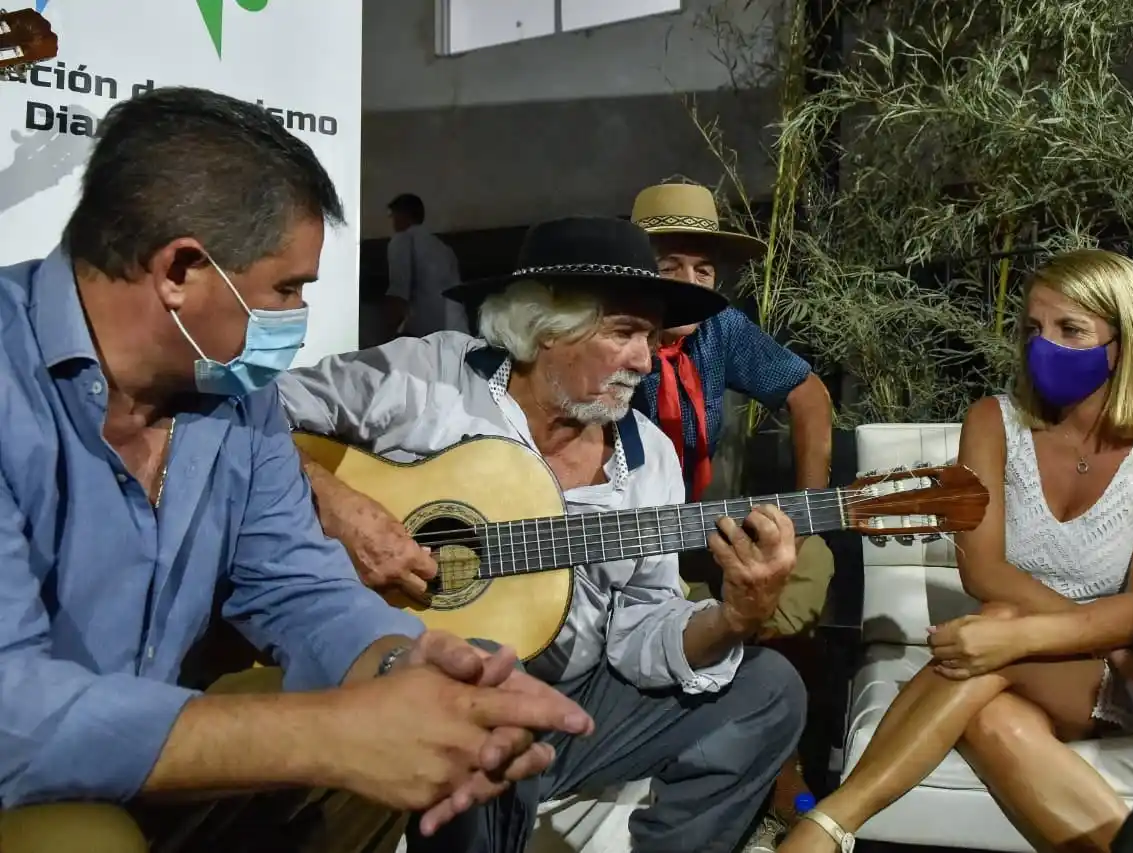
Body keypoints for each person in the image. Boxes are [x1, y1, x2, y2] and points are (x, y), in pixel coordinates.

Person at [0, 86, 593, 853]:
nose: (298, 318)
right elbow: (13, 712)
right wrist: (331, 733)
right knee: (83, 839)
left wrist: (401, 664)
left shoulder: (231, 389)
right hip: (30, 777)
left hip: (150, 739)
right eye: (287, 288)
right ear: (181, 269)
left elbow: (297, 580)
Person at [275, 215, 808, 853]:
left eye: (651, 336)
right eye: (626, 334)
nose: (646, 359)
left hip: (571, 706)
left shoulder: (649, 458)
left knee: (769, 689)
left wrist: (734, 615)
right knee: (490, 687)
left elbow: (641, 631)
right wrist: (335, 503)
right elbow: (250, 416)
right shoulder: (434, 378)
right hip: (402, 690)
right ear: (545, 328)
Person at [779, 248, 1133, 853]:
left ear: (1125, 342)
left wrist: (1037, 637)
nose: (1045, 347)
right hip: (1040, 645)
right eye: (1033, 329)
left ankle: (823, 827)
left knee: (995, 632)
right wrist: (1024, 636)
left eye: (1071, 330)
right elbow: (982, 568)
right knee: (992, 715)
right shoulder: (992, 421)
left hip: (1130, 671)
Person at [629, 180, 835, 640]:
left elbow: (809, 394)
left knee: (811, 556)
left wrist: (806, 508)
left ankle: (727, 643)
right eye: (669, 268)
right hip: (625, 538)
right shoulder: (611, 336)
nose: (690, 285)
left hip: (693, 525)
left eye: (703, 272)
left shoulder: (719, 327)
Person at [385, 192, 470, 339]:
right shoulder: (443, 247)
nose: (392, 221)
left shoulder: (402, 240)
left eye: (393, 215)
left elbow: (399, 293)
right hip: (458, 332)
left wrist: (386, 337)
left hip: (428, 334)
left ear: (402, 215)